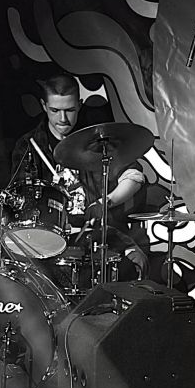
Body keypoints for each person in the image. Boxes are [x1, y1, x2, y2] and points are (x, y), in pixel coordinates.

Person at [10, 73, 148, 282]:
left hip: (100, 237)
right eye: (55, 110)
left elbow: (134, 177)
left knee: (137, 264)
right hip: (48, 241)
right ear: (44, 106)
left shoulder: (99, 139)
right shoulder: (29, 146)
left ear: (80, 105)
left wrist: (106, 202)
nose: (63, 119)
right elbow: (20, 199)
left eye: (70, 110)